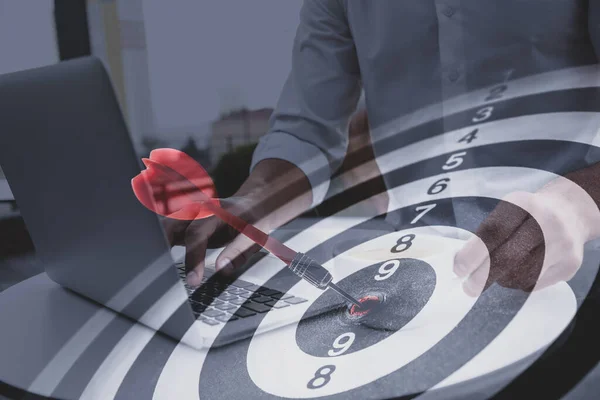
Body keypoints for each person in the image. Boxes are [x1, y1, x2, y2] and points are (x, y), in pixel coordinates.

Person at [170, 1, 600, 296]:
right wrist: (252, 204)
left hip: (579, 270)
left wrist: (577, 206)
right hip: (414, 272)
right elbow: (308, 130)